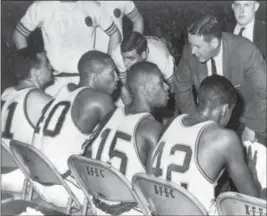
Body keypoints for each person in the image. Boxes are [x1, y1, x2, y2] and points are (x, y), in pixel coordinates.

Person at [150, 75, 261, 214]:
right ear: (225, 109)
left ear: (197, 99)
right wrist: (252, 171)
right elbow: (253, 199)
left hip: (159, 209)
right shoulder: (225, 138)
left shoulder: (173, 121)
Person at [31, 50, 119, 208]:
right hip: (65, 190)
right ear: (94, 76)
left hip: (36, 180)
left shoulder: (64, 90)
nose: (117, 78)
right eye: (112, 73)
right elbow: (117, 145)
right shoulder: (100, 100)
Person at [84, 61, 169, 215]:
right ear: (144, 89)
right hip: (129, 210)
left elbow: (88, 153)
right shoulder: (152, 128)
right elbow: (155, 190)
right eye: (161, 83)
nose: (167, 88)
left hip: (97, 205)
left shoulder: (111, 114)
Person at [173, 14, 266, 146]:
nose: (192, 51)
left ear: (214, 43)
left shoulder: (245, 51)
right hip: (212, 121)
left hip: (248, 117)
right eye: (190, 44)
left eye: (198, 46)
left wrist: (253, 127)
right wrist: (197, 122)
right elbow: (181, 87)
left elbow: (264, 94)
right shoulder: (189, 52)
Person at [12, 1, 121, 96]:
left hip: (88, 81)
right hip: (55, 81)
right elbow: (18, 35)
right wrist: (31, 66)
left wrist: (106, 66)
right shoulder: (41, 7)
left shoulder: (92, 6)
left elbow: (115, 34)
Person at [1, 46, 53, 193]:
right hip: (21, 176)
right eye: (46, 63)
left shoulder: (7, 93)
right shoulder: (40, 99)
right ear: (36, 73)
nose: (51, 67)